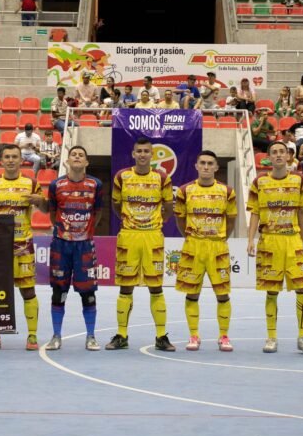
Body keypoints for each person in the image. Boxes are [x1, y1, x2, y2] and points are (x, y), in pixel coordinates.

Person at [107, 137, 175, 352]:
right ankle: (122, 335)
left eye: (147, 151)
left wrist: (156, 223)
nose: (143, 154)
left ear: (152, 155)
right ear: (134, 154)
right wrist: (130, 220)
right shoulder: (122, 176)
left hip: (153, 236)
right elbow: (116, 204)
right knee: (125, 286)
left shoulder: (161, 178)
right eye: (140, 151)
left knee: (156, 287)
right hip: (129, 235)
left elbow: (168, 206)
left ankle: (161, 336)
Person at [247, 141, 303, 354]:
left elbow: (302, 212)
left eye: (281, 152)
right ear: (268, 157)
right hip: (269, 241)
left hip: (292, 240)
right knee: (272, 291)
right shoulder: (259, 182)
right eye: (273, 152)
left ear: (288, 156)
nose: (277, 155)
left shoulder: (299, 181)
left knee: (301, 289)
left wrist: (302, 238)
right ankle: (271, 337)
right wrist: (250, 240)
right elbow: (255, 213)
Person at [0, 143, 46, 350]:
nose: (10, 160)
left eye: (14, 157)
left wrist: (40, 201)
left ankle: (32, 336)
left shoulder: (31, 183)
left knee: (27, 291)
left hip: (23, 246)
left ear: (21, 160)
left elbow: (45, 209)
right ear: (0, 160)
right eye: (6, 157)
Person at [173, 151, 237, 352]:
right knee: (192, 294)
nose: (206, 167)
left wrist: (221, 238)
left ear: (217, 167)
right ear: (196, 166)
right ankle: (194, 335)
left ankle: (224, 336)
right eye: (203, 163)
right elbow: (180, 219)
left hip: (217, 247)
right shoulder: (184, 191)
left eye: (210, 163)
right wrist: (190, 237)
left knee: (223, 295)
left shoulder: (227, 191)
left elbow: (232, 219)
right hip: (193, 246)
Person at [43, 146, 103, 351]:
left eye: (81, 155)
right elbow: (52, 213)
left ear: (86, 162)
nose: (77, 157)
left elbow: (98, 212)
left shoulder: (96, 184)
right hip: (61, 244)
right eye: (74, 155)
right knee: (59, 291)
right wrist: (64, 231)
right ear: (67, 160)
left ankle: (91, 336)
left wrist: (84, 232)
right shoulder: (55, 185)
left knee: (88, 293)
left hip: (84, 246)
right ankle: (56, 336)